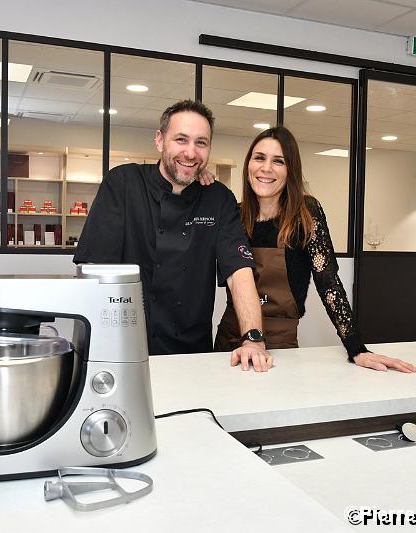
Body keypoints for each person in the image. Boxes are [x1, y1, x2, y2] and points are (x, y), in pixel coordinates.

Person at [73, 100, 273, 371]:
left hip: (192, 355)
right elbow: (94, 271)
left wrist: (253, 338)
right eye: (181, 140)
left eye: (201, 143)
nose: (191, 153)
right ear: (160, 140)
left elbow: (239, 270)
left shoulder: (218, 198)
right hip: (123, 349)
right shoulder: (123, 183)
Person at [213, 126, 416, 373]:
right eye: (259, 158)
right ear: (248, 166)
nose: (266, 168)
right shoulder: (234, 215)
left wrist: (356, 348)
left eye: (279, 161)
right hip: (229, 340)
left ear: (291, 171)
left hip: (279, 346)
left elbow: (328, 283)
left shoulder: (305, 214)